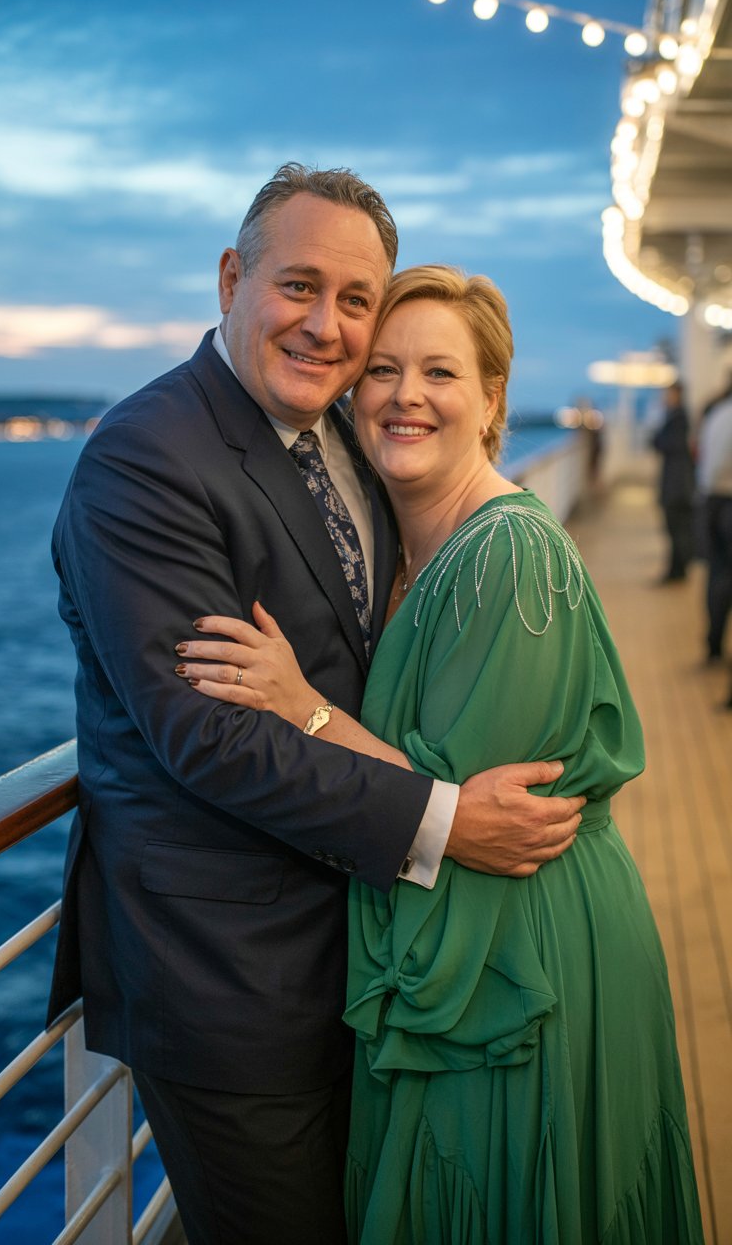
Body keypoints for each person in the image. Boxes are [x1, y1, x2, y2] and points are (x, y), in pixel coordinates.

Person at [46, 166, 585, 1245]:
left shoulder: (337, 428)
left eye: (355, 302)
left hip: (353, 957)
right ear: (232, 277)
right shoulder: (146, 459)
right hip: (229, 988)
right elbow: (211, 738)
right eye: (298, 286)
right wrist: (443, 820)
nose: (326, 327)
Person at [181, 265, 704, 1243]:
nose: (405, 395)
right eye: (381, 370)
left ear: (492, 397)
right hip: (474, 922)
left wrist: (300, 706)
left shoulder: (510, 556)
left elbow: (463, 812)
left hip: (513, 954)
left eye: (440, 372)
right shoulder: (413, 547)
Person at [697, 384, 732, 677]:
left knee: (717, 574)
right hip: (729, 500)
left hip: (710, 500)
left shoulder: (717, 413)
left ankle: (713, 644)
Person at [651, 382, 696, 583]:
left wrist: (657, 436)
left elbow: (663, 443)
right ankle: (677, 569)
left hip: (677, 484)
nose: (665, 397)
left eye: (668, 393)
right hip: (679, 482)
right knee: (676, 528)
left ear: (677, 394)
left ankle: (677, 571)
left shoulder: (678, 418)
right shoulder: (679, 417)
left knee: (676, 528)